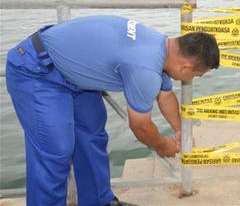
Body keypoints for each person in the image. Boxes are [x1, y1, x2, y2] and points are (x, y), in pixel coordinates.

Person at [5, 15, 220, 206]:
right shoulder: (145, 68)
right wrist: (163, 145)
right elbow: (140, 126)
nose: (192, 79)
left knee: (92, 136)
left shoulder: (161, 46)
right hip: (37, 69)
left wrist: (180, 129)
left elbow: (165, 95)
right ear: (186, 68)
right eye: (196, 76)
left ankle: (98, 201)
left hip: (73, 76)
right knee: (56, 151)